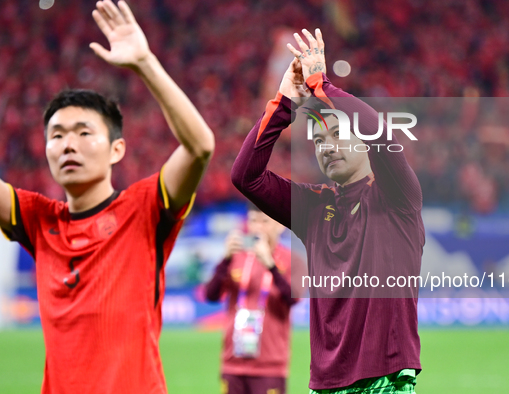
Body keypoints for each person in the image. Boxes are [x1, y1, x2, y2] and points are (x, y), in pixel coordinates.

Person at [0, 1, 214, 393]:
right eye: (57, 135)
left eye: (84, 133)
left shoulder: (144, 207)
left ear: (117, 149)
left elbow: (200, 146)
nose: (68, 145)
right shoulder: (37, 218)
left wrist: (145, 63)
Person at [231, 28, 424, 393]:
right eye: (319, 139)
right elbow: (245, 176)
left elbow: (380, 133)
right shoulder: (313, 206)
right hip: (324, 384)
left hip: (384, 379)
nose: (326, 146)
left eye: (337, 134)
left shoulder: (398, 198)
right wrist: (284, 103)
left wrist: (324, 87)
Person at [205, 203, 301, 394]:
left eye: (264, 221)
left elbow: (294, 298)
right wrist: (225, 259)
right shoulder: (236, 256)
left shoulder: (293, 260)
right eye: (253, 221)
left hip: (270, 364)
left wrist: (271, 265)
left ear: (280, 225)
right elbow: (211, 295)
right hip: (233, 361)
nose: (257, 227)